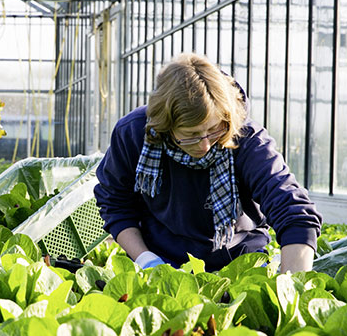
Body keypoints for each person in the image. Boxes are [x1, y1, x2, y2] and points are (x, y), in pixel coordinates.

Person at [94, 53, 322, 273]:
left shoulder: (245, 138)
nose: (204, 145)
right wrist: (146, 259)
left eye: (214, 130)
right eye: (191, 134)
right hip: (162, 263)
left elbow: (293, 211)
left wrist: (290, 290)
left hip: (240, 263)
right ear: (166, 126)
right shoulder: (133, 134)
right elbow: (115, 202)